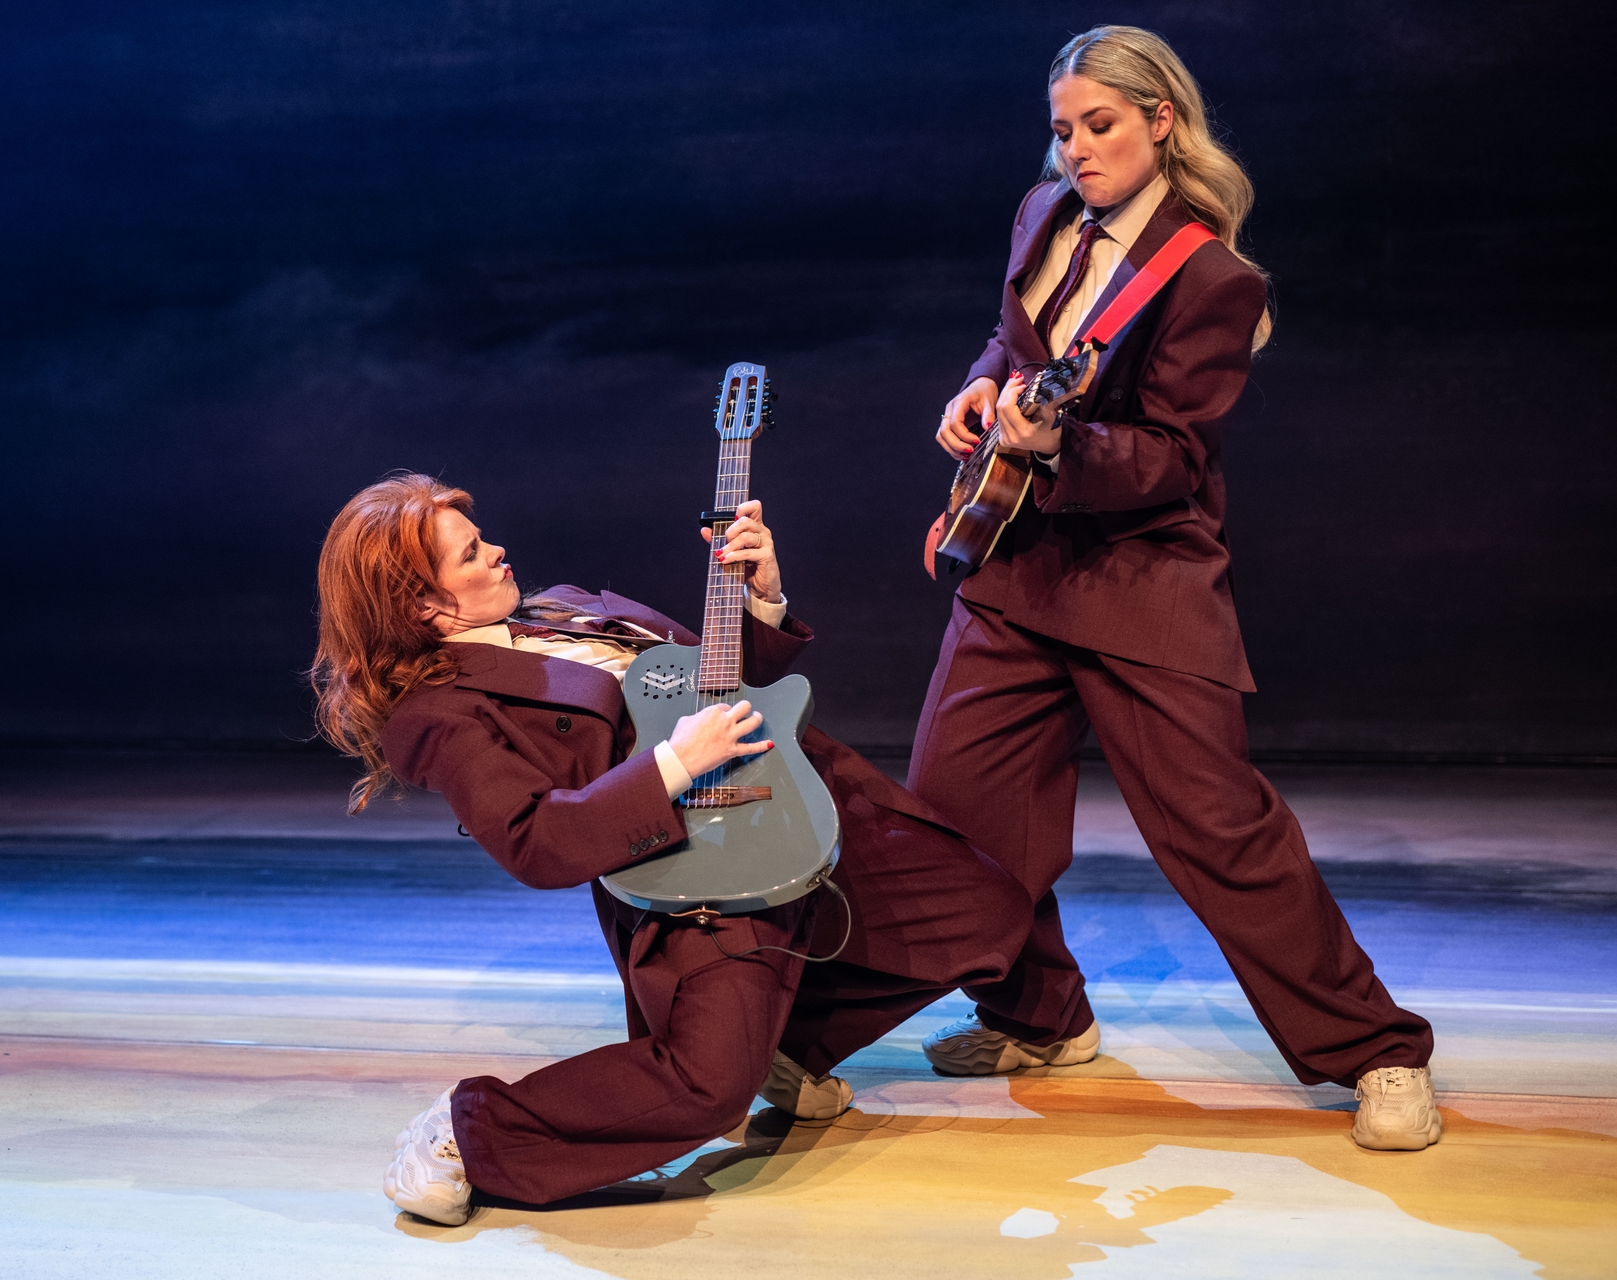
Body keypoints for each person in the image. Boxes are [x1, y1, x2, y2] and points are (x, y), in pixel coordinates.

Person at [909, 25, 1439, 1151]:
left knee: (1219, 832)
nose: (1076, 150)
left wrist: (1058, 444)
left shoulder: (1211, 277)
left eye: (1099, 125)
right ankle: (1040, 1018)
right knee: (958, 815)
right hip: (1017, 563)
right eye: (1063, 129)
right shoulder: (1042, 213)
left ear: (1159, 120)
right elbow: (1012, 341)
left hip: (1141, 577)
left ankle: (1377, 1050)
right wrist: (980, 391)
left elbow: (1170, 460)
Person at [311, 473, 1034, 1224]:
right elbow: (535, 841)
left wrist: (762, 597)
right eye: (469, 555)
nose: (496, 550)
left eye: (481, 537)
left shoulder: (568, 607)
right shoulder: (438, 712)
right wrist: (675, 764)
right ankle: (468, 1133)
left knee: (989, 917)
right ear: (422, 606)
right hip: (696, 872)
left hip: (792, 801)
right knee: (708, 1087)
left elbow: (718, 689)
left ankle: (783, 1041)